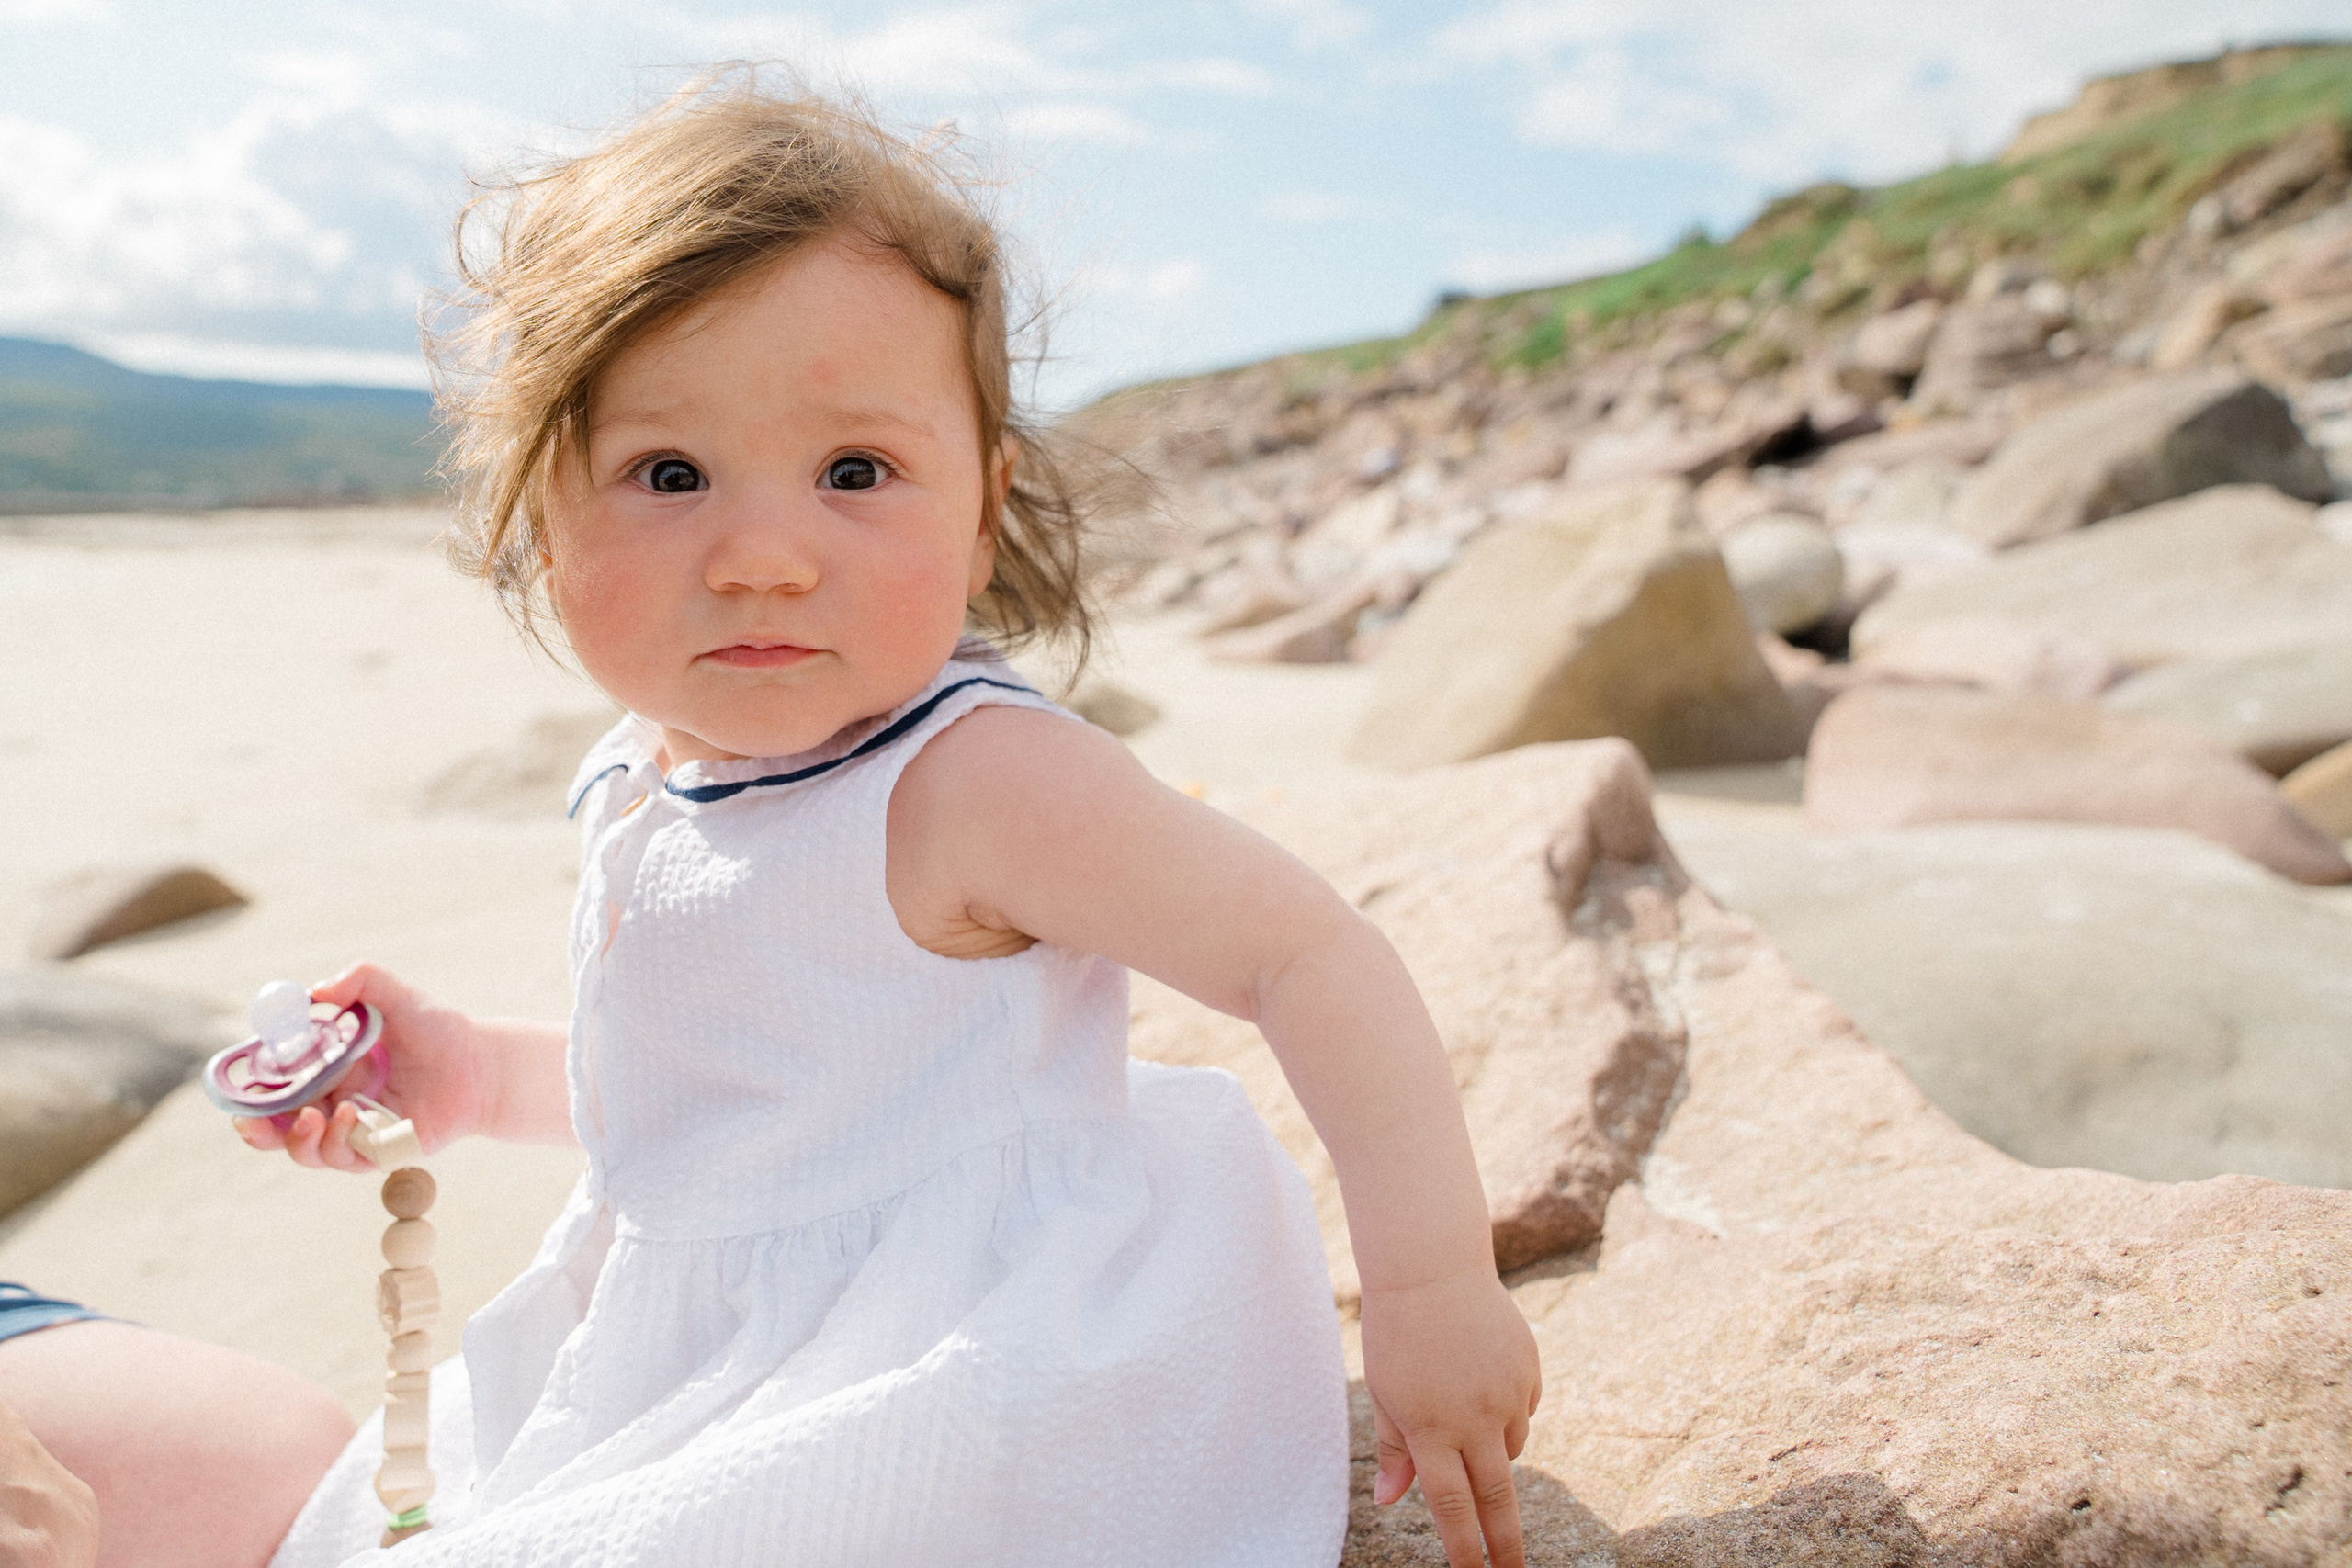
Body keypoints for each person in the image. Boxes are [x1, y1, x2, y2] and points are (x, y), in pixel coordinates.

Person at [217, 73, 1538, 1566]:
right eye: (668, 473)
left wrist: (1432, 1290)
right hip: (710, 1342)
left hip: (967, 1357)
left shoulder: (973, 784)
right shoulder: (644, 774)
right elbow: (723, 1111)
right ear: (539, 517)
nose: (767, 554)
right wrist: (469, 1075)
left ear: (983, 511)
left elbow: (1308, 957)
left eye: (857, 472)